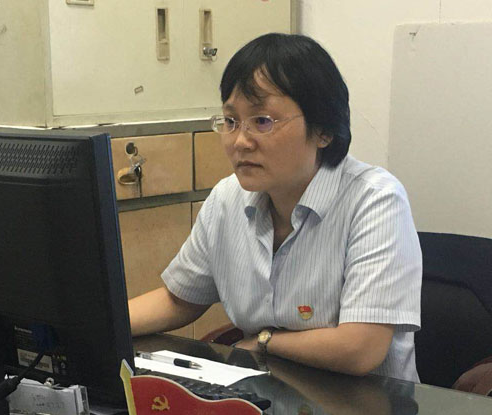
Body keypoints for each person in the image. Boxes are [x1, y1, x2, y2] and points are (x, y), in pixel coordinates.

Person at [128, 33, 422, 381]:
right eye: (231, 121)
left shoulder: (375, 200)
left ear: (323, 130)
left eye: (262, 121)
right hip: (263, 399)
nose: (240, 141)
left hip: (362, 406)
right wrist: (93, 325)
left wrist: (265, 342)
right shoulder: (226, 199)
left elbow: (360, 348)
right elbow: (179, 300)